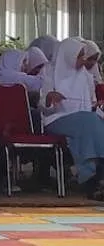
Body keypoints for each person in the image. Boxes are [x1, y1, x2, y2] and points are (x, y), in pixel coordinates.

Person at [41, 38, 104, 200]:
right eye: (79, 56)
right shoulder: (50, 72)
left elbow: (90, 104)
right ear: (68, 55)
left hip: (85, 120)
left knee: (89, 124)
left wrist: (97, 105)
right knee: (89, 122)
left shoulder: (86, 76)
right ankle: (96, 177)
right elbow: (42, 107)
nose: (83, 60)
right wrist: (49, 98)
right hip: (56, 119)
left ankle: (92, 179)